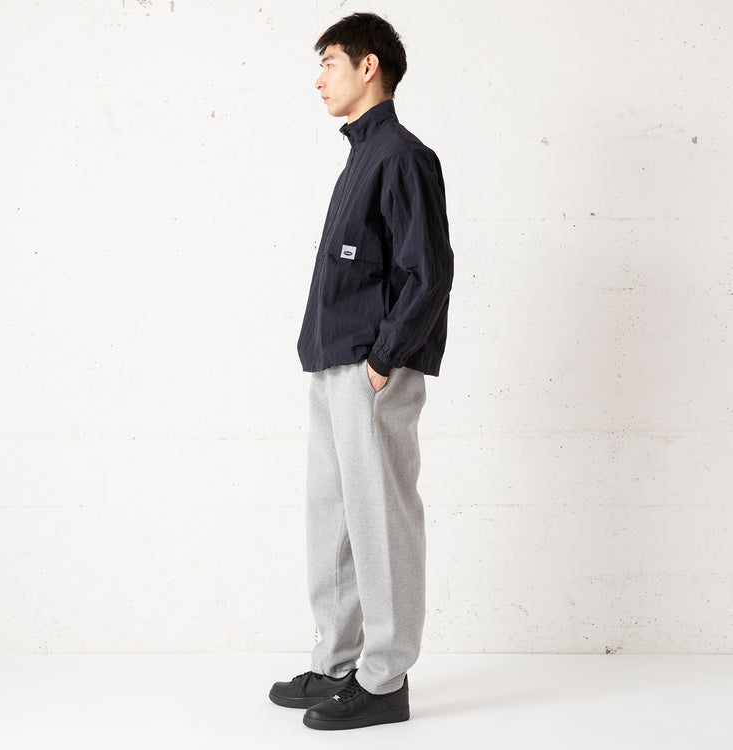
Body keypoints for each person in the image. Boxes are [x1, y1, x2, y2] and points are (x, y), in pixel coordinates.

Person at [269, 12, 454, 731]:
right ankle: (337, 663)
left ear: (368, 66)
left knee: (381, 522)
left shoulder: (402, 156)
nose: (319, 79)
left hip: (373, 368)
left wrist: (383, 359)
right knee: (333, 520)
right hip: (333, 365)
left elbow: (428, 272)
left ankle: (385, 680)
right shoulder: (362, 156)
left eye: (329, 63)